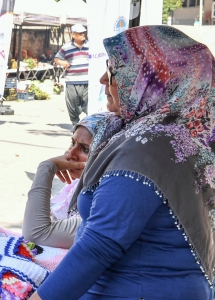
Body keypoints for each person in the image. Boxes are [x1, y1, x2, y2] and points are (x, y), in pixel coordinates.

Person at [31, 26, 214, 300]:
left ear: (152, 79)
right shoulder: (178, 134)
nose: (105, 79)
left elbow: (99, 245)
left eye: (115, 70)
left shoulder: (150, 145)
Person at [22, 113, 112, 249]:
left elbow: (35, 234)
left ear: (107, 157)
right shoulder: (78, 187)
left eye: (85, 149)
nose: (70, 155)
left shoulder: (108, 201)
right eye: (73, 143)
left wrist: (46, 168)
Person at [54, 24, 89, 125]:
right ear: (73, 35)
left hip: (88, 81)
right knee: (72, 104)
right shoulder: (66, 47)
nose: (83, 34)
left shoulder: (91, 45)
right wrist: (63, 63)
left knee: (89, 105)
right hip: (72, 81)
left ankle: (90, 127)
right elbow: (56, 58)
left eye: (84, 32)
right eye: (80, 33)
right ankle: (75, 125)